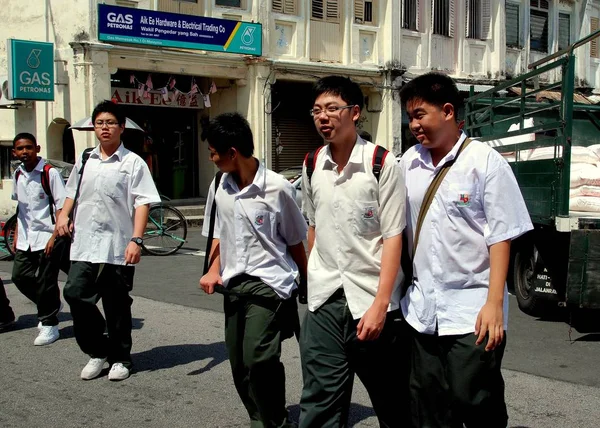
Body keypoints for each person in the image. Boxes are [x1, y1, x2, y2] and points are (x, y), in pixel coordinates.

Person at [397, 72, 533, 427]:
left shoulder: (485, 162)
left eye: (419, 114)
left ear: (446, 111)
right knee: (427, 407)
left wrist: (494, 303)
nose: (413, 124)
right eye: (410, 116)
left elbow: (501, 237)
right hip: (422, 311)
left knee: (475, 403)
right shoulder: (407, 163)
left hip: (472, 314)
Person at [300, 75, 409, 428]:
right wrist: (313, 279)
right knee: (319, 404)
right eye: (317, 110)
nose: (323, 117)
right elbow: (313, 227)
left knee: (394, 404)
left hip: (374, 305)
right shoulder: (312, 163)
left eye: (332, 109)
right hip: (325, 301)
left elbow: (394, 237)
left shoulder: (382, 163)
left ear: (355, 113)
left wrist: (380, 306)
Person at [199, 112, 308, 428]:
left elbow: (296, 241)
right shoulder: (220, 185)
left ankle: (273, 419)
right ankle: (260, 416)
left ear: (232, 152)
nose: (212, 158)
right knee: (238, 363)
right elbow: (219, 232)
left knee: (258, 357)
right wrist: (212, 269)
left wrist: (306, 281)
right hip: (234, 285)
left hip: (270, 285)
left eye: (214, 152)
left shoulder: (277, 188)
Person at [57, 100, 160, 381]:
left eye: (110, 123)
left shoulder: (132, 162)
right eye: (100, 123)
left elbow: (143, 202)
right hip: (85, 243)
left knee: (116, 304)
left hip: (117, 245)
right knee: (75, 293)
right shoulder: (85, 159)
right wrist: (63, 216)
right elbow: (71, 192)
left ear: (122, 128)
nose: (105, 128)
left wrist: (136, 240)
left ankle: (121, 359)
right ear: (94, 127)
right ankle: (98, 350)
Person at [10, 132, 66, 345]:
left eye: (29, 148)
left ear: (38, 149)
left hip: (47, 236)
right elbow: (20, 208)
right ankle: (50, 304)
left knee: (46, 281)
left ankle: (49, 325)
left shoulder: (49, 173)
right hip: (26, 237)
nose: (25, 152)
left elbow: (62, 207)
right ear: (15, 152)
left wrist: (54, 236)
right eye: (20, 149)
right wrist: (16, 235)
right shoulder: (18, 174)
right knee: (19, 276)